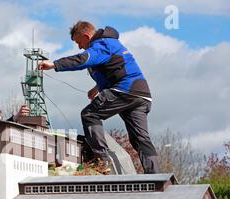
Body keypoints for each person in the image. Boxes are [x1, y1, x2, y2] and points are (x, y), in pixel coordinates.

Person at [38, 21, 160, 174]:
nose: (80, 47)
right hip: (141, 95)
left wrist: (54, 64)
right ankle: (156, 177)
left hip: (125, 90)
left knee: (89, 114)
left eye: (79, 42)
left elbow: (82, 60)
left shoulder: (101, 45)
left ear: (86, 36)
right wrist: (97, 88)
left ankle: (103, 161)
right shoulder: (111, 44)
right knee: (140, 139)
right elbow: (116, 68)